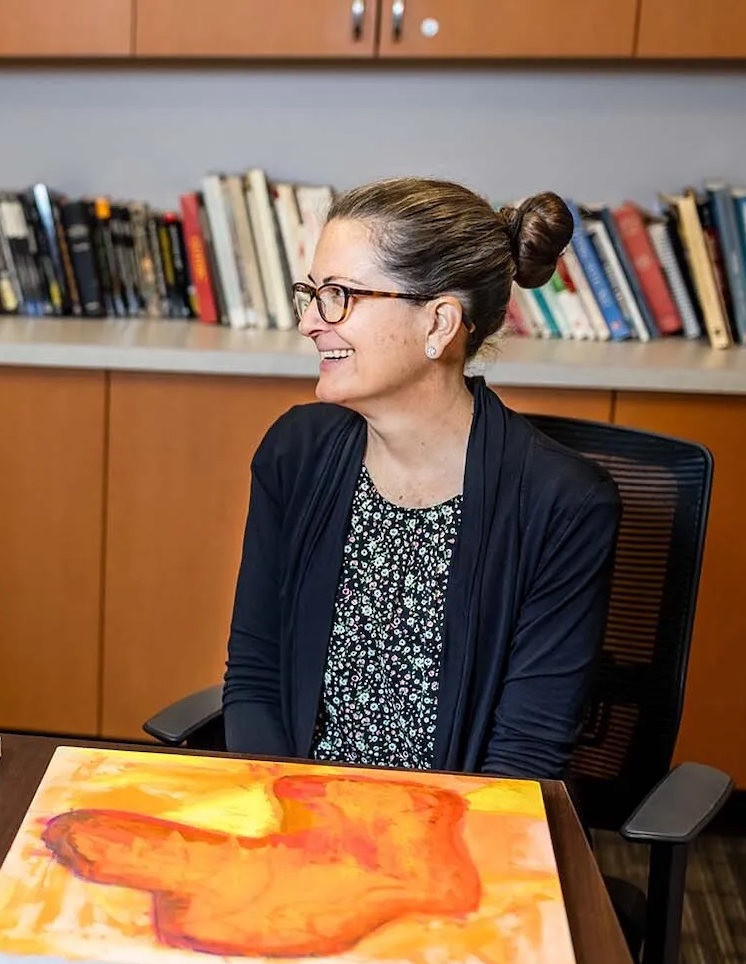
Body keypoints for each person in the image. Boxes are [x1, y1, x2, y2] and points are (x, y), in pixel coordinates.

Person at [222, 176, 621, 780]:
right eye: (312, 293)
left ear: (438, 325)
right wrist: (291, 822)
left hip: (458, 841)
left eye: (339, 295)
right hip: (297, 821)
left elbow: (525, 755)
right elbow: (256, 677)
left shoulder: (561, 503)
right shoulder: (295, 453)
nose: (309, 323)